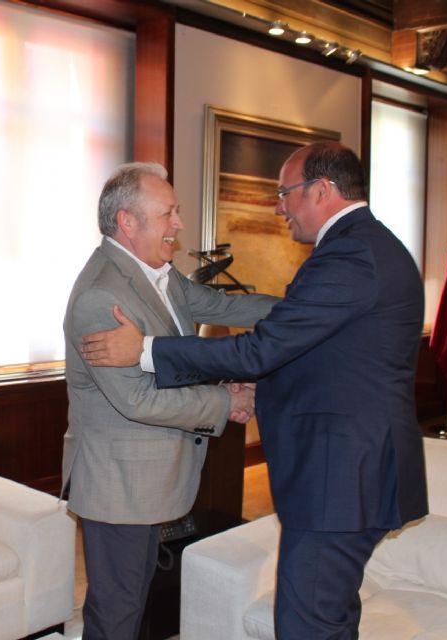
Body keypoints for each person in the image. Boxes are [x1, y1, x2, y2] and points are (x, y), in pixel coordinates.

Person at [81, 142, 428, 639]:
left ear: (322, 190)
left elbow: (262, 345)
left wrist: (146, 350)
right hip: (129, 483)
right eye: (168, 212)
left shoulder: (350, 255)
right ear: (129, 222)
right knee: (322, 615)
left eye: (285, 192)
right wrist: (247, 383)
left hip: (342, 479)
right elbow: (322, 355)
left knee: (310, 622)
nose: (278, 205)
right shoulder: (365, 246)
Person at [63, 161, 277, 640]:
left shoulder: (158, 275)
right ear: (128, 222)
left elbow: (222, 306)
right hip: (118, 486)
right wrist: (226, 403)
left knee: (133, 606)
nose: (178, 224)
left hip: (146, 481)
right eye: (169, 213)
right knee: (115, 614)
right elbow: (137, 399)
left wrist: (308, 309)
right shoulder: (102, 296)